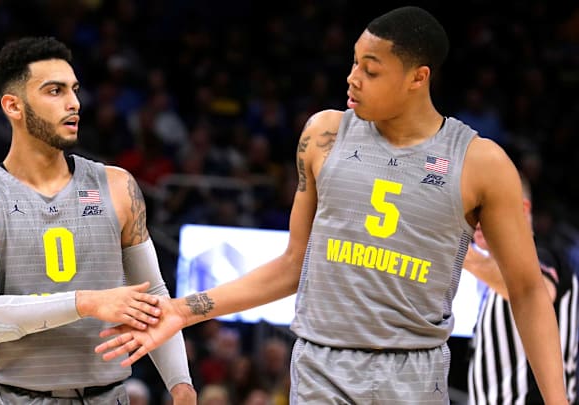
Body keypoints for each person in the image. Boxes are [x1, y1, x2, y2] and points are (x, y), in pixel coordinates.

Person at [95, 6, 568, 404]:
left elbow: (526, 290)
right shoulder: (323, 134)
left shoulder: (480, 162)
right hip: (320, 366)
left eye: (371, 68)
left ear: (417, 78)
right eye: (354, 62)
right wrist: (183, 310)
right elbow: (291, 265)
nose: (353, 78)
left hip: (412, 375)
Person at [0, 36, 196, 404]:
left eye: (74, 90)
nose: (74, 103)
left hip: (110, 396)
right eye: (54, 91)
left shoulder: (118, 185)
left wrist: (180, 383)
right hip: (18, 396)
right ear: (13, 105)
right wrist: (84, 303)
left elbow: (153, 296)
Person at [465, 176, 579, 404]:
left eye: (485, 205)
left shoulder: (545, 256)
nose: (477, 217)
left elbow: (538, 292)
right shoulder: (496, 272)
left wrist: (461, 256)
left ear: (523, 208)